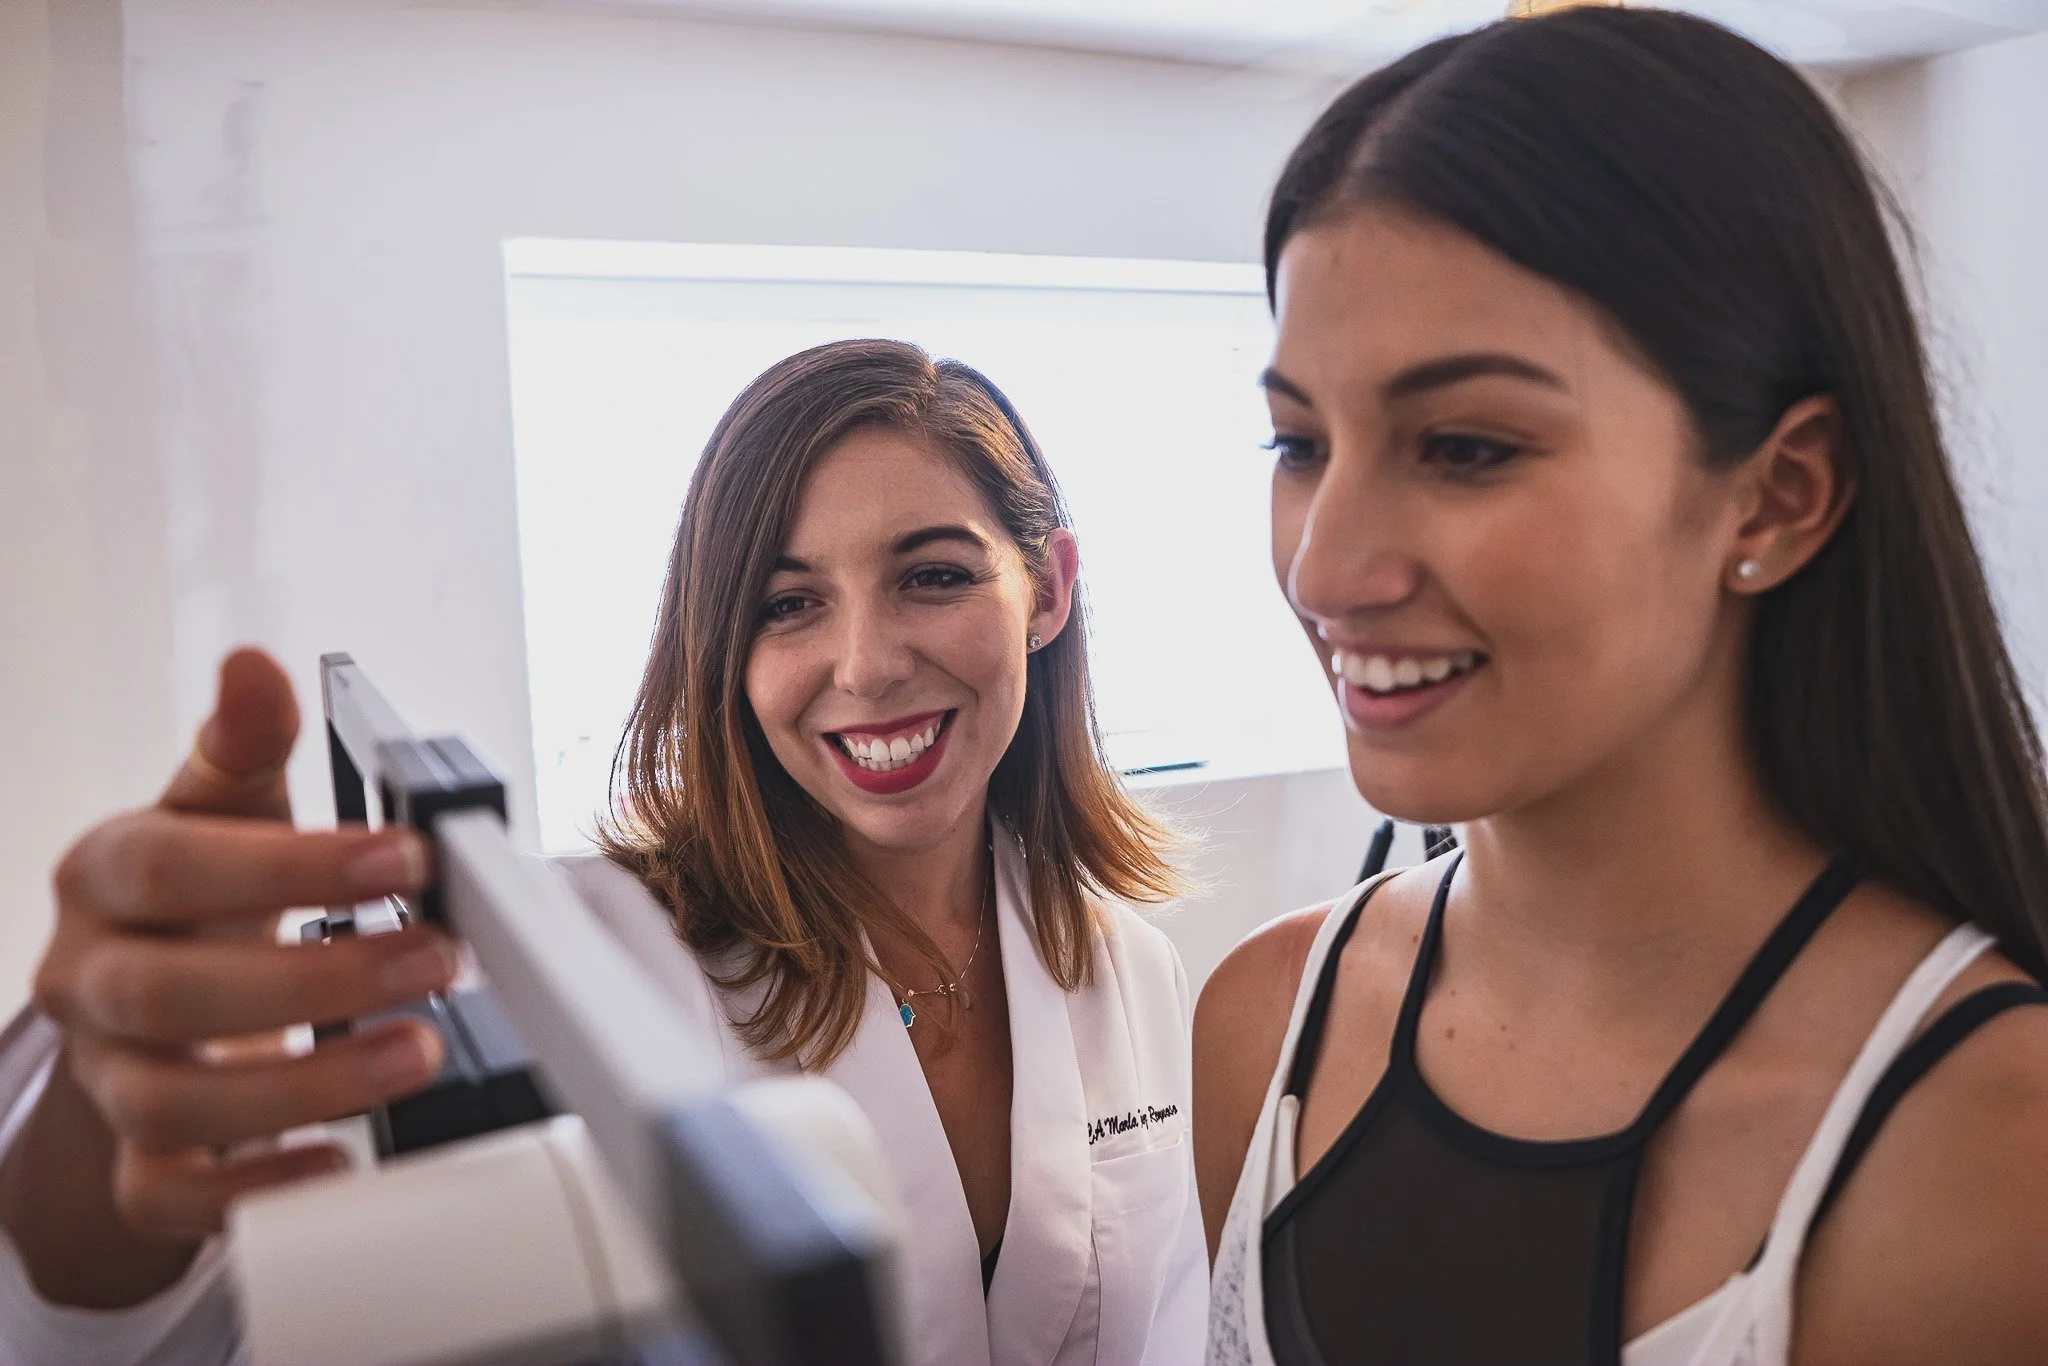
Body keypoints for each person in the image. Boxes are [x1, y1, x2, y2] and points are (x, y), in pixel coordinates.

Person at [0, 339, 1208, 1366]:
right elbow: (196, 1311)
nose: (867, 663)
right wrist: (102, 1125)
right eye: (787, 605)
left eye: (932, 576)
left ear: (1045, 591)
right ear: (721, 650)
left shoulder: (1125, 965)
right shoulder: (592, 957)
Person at [1194, 9, 2048, 1366]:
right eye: (1297, 441)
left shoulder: (1985, 1150)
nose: (1328, 565)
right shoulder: (1264, 1022)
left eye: (1465, 446)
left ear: (1778, 493)